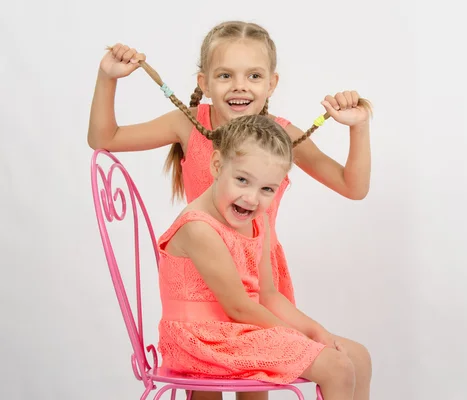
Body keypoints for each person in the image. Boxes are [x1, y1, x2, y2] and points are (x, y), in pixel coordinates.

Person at [88, 20, 372, 400]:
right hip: (203, 280)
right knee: (212, 389)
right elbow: (104, 138)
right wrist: (108, 78)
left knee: (268, 385)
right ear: (204, 82)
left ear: (271, 84)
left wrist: (358, 128)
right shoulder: (188, 125)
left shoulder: (281, 137)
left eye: (253, 75)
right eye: (225, 75)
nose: (240, 85)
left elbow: (353, 187)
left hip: (258, 273)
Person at [157, 114, 369, 400]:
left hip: (238, 332)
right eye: (242, 180)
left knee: (358, 357)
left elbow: (268, 295)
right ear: (217, 165)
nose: (252, 198)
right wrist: (299, 338)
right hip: (203, 339)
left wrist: (316, 331)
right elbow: (240, 308)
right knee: (336, 368)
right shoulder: (199, 228)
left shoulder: (259, 222)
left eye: (267, 189)